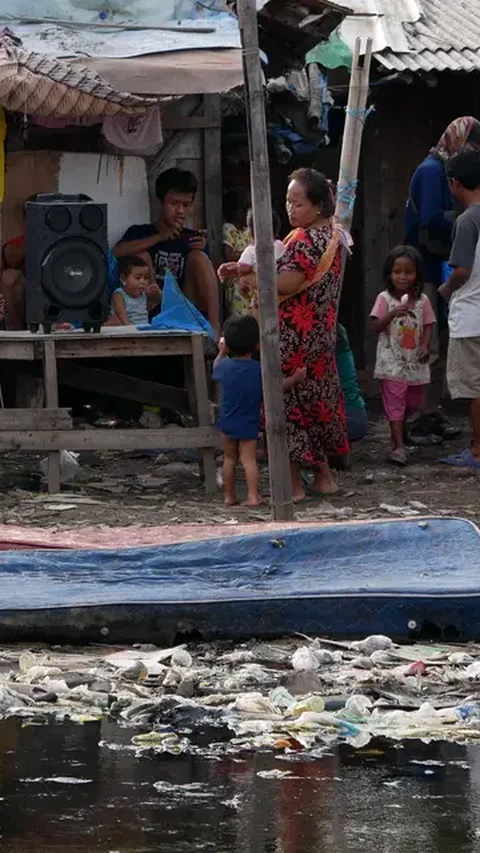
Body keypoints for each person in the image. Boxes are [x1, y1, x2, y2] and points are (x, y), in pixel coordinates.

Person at [237, 168, 349, 501]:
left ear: (317, 206)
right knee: (315, 403)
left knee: (289, 407)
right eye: (288, 202)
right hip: (318, 335)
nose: (290, 209)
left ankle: (294, 486)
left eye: (297, 203)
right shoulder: (333, 235)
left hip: (294, 339)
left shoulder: (304, 240)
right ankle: (324, 477)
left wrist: (248, 277)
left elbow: (287, 284)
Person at [405, 117, 480, 438]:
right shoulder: (434, 172)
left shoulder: (438, 167)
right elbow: (430, 218)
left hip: (437, 266)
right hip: (428, 268)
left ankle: (430, 414)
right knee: (427, 344)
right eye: (472, 146)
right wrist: (467, 222)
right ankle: (423, 417)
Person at [113, 167, 220, 338]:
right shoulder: (141, 232)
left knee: (199, 257)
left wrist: (201, 250)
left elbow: (205, 280)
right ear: (161, 202)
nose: (180, 211)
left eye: (186, 205)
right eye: (174, 203)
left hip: (183, 308)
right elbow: (116, 252)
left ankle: (214, 327)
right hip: (147, 308)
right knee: (141, 256)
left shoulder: (192, 239)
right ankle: (159, 298)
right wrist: (160, 237)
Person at [213, 315, 305, 506]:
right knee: (249, 460)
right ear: (257, 345)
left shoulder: (224, 367)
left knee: (229, 459)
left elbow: (215, 367)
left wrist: (222, 352)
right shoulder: (259, 370)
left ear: (228, 344)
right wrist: (295, 378)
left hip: (227, 420)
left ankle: (229, 496)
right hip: (249, 421)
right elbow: (278, 386)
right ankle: (253, 496)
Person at [370, 245, 436, 466]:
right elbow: (376, 326)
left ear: (417, 274)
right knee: (395, 401)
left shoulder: (423, 301)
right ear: (389, 274)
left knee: (413, 402)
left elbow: (428, 324)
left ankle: (400, 433)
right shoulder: (384, 298)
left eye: (409, 272)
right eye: (397, 272)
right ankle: (398, 447)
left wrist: (426, 346)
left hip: (414, 360)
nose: (402, 277)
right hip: (392, 361)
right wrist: (391, 313)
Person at [439, 150, 480, 469]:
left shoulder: (468, 220)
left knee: (475, 387)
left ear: (454, 183)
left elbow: (462, 270)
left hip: (471, 316)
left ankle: (478, 450)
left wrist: (445, 288)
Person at [218, 209, 285, 311]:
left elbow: (243, 268)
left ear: (250, 231)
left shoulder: (251, 250)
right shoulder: (280, 245)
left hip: (257, 291)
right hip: (278, 291)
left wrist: (232, 268)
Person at [222, 188, 252, 317]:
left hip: (250, 280)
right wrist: (249, 256)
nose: (245, 215)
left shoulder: (248, 230)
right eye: (242, 211)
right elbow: (229, 255)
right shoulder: (229, 228)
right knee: (239, 316)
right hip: (236, 281)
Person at [107, 254, 161, 326]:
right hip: (126, 329)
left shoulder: (144, 294)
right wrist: (130, 328)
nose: (143, 281)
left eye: (146, 278)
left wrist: (155, 292)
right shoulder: (119, 294)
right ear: (123, 279)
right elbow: (121, 314)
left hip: (143, 328)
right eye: (138, 278)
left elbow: (157, 301)